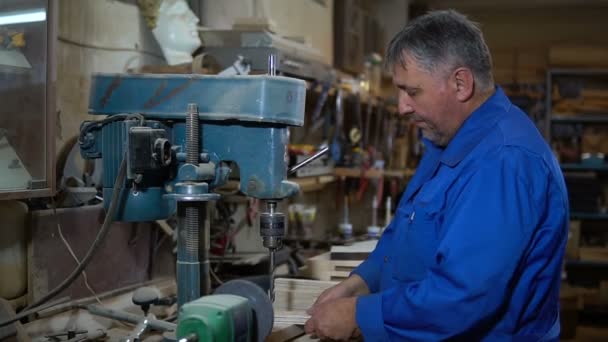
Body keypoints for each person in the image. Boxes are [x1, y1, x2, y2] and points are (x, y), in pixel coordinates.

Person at [305, 10, 568, 341]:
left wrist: (360, 315)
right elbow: (405, 228)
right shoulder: (447, 139)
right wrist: (361, 282)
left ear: (461, 83)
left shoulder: (503, 162)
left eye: (412, 92)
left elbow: (464, 296)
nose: (402, 106)